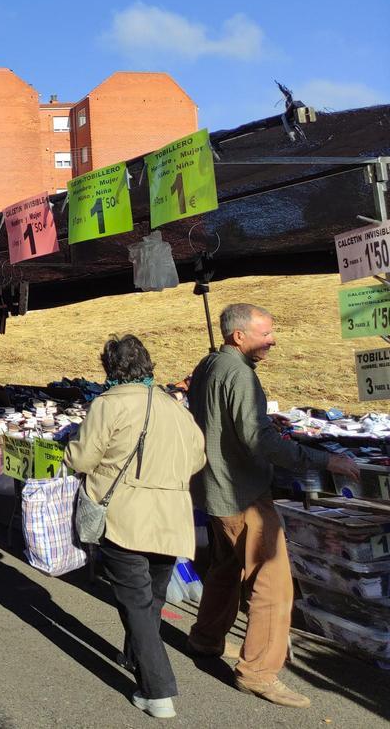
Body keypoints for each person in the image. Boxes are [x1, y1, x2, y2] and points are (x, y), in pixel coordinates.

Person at [186, 304, 359, 709]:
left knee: (226, 567)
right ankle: (259, 672)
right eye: (265, 333)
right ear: (238, 336)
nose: (273, 339)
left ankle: (205, 638)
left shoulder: (210, 363)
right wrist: (324, 460)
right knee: (273, 582)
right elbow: (257, 439)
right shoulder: (239, 374)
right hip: (241, 493)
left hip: (216, 491)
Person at [65, 335, 206, 720]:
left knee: (138, 605)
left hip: (124, 516)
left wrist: (70, 451)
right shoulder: (174, 407)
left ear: (110, 368)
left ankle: (157, 690)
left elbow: (83, 457)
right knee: (152, 599)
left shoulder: (107, 405)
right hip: (172, 518)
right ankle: (135, 657)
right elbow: (197, 457)